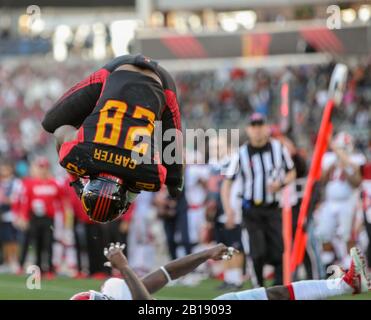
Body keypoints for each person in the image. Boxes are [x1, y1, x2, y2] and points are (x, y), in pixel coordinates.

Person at [41, 54, 184, 223]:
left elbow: (158, 176)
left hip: (159, 81)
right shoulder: (79, 158)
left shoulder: (149, 175)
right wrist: (76, 184)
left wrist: (130, 193)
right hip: (118, 71)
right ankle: (100, 106)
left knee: (175, 184)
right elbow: (60, 131)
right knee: (49, 123)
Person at [70, 242, 370, 300]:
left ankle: (346, 285)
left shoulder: (112, 292)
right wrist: (124, 268)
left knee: (272, 294)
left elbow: (164, 273)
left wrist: (205, 254)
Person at [221, 113, 296, 286]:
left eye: (260, 125)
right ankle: (259, 290)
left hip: (273, 208)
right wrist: (228, 209)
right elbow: (227, 183)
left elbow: (291, 172)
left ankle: (279, 290)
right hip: (252, 211)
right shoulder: (240, 154)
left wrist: (282, 183)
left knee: (279, 252)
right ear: (248, 129)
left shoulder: (278, 148)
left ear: (266, 127)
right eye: (253, 126)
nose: (257, 130)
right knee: (257, 252)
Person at [317, 131, 366, 269]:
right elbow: (321, 180)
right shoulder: (328, 158)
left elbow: (357, 182)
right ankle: (328, 267)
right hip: (330, 202)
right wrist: (332, 167)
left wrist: (346, 166)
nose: (341, 151)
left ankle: (351, 268)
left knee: (347, 236)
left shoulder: (356, 159)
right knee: (323, 233)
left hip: (348, 202)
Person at [17, 157, 65, 277]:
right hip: (35, 218)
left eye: (45, 168)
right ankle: (38, 268)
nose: (42, 171)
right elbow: (25, 202)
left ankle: (49, 269)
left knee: (48, 243)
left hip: (48, 218)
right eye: (40, 168)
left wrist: (63, 215)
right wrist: (23, 217)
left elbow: (62, 200)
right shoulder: (30, 183)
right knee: (36, 243)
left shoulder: (54, 183)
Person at [0, 159, 22, 273]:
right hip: (2, 215)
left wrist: (8, 200)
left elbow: (16, 197)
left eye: (6, 168)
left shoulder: (16, 182)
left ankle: (14, 261)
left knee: (14, 240)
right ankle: (6, 261)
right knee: (5, 240)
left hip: (13, 214)